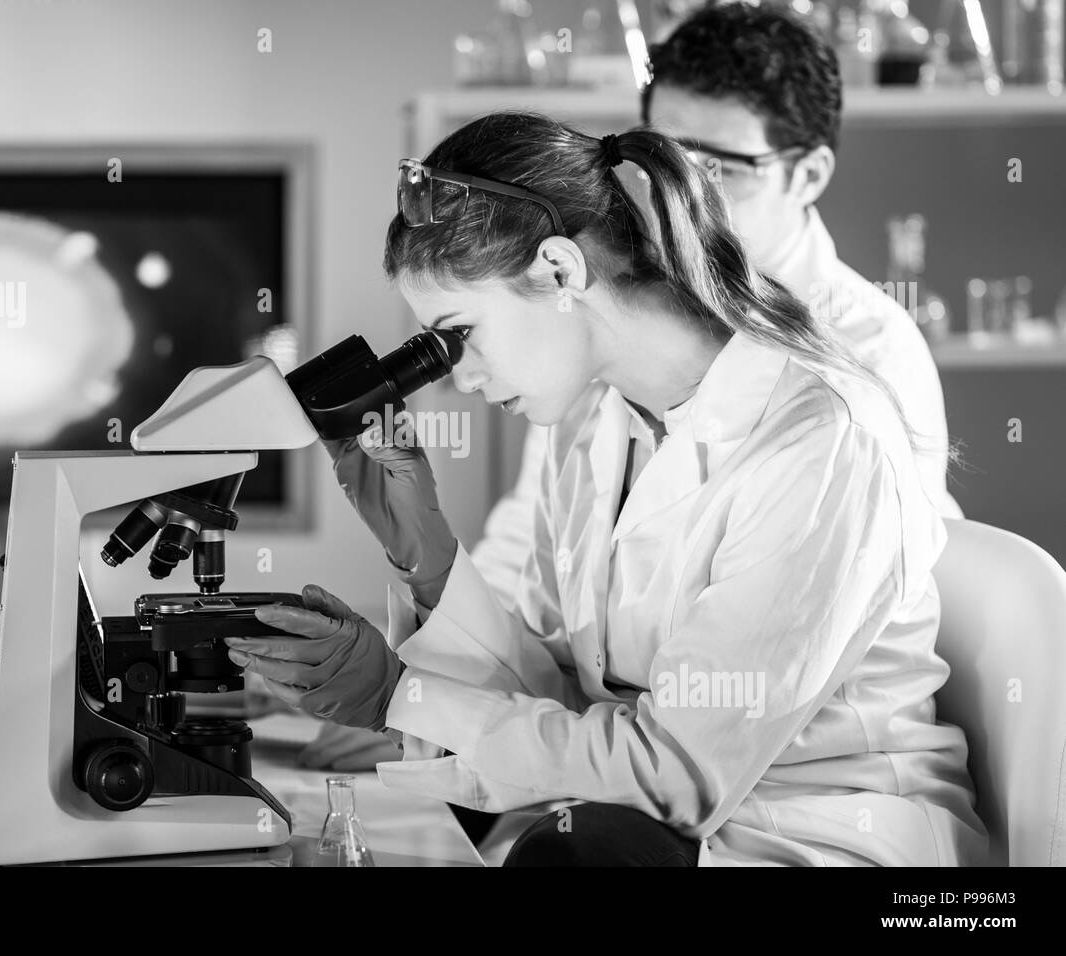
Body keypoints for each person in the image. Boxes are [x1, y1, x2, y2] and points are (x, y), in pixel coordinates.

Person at [224, 110, 987, 866]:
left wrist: (398, 695)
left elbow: (673, 775)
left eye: (460, 334)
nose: (459, 378)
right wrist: (430, 557)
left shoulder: (819, 444)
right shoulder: (596, 424)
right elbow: (563, 700)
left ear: (560, 271)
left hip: (822, 836)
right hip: (656, 832)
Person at [473, 0, 961, 608]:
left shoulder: (864, 353)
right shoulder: (613, 311)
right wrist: (442, 657)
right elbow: (532, 534)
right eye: (661, 160)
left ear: (807, 175)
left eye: (721, 168)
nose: (676, 196)